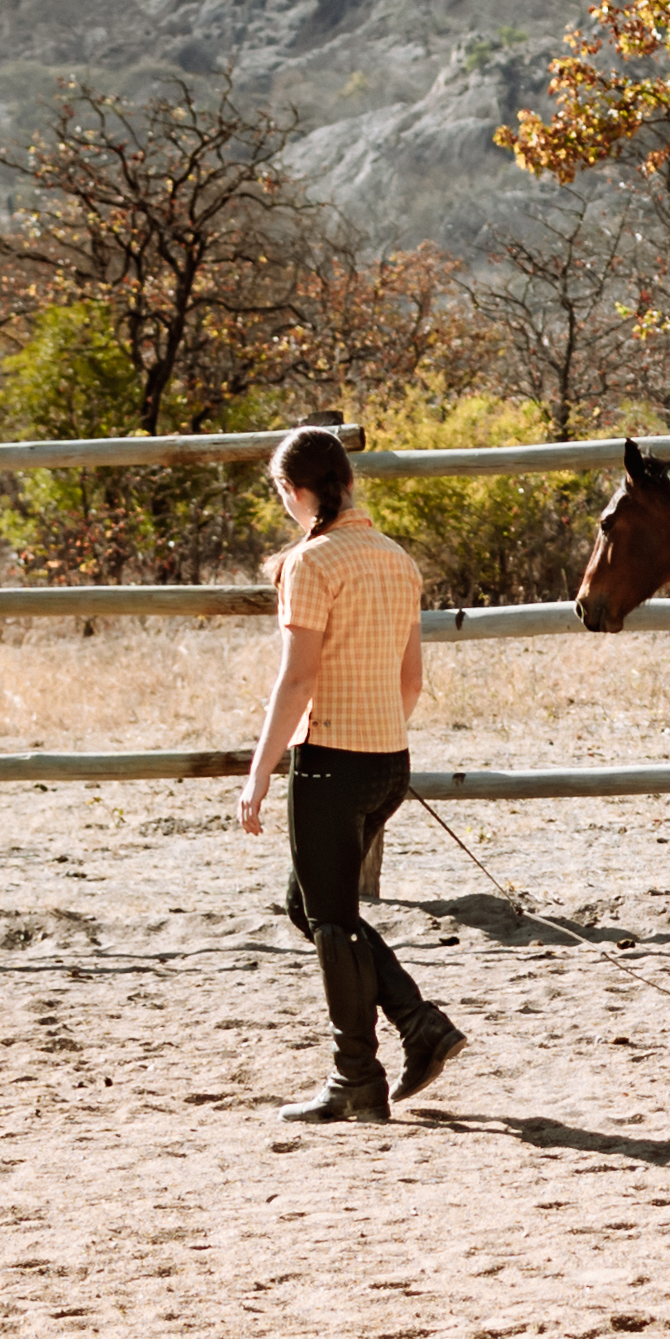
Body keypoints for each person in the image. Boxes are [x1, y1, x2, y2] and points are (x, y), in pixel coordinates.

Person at [239, 418, 467, 1123]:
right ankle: (417, 1024)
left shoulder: (312, 565)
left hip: (330, 765)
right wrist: (377, 734)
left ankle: (356, 1077)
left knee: (330, 919)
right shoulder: (396, 558)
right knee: (309, 906)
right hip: (387, 762)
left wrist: (259, 769)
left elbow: (297, 679)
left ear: (293, 489)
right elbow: (410, 680)